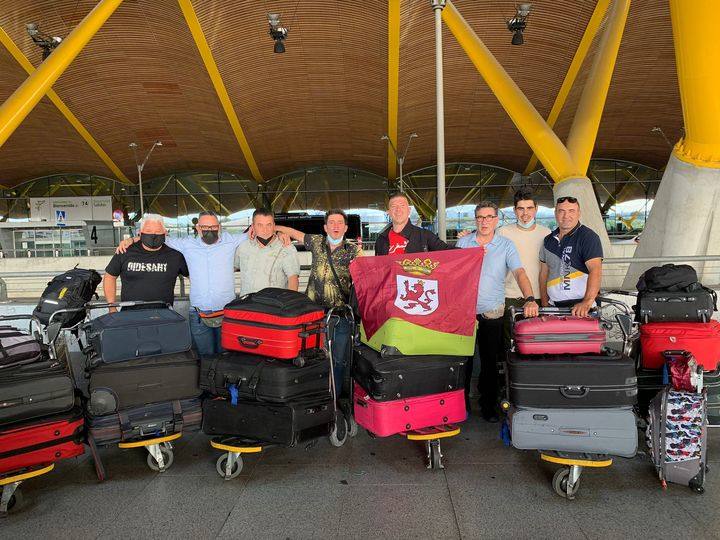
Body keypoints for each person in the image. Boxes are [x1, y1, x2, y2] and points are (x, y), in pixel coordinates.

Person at [117, 210, 251, 356]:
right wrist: (131, 240)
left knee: (228, 356)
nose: (209, 230)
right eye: (205, 227)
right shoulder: (186, 244)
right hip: (198, 314)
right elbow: (156, 236)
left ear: (219, 227)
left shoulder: (231, 240)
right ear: (198, 228)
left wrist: (280, 231)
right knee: (203, 356)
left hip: (226, 313)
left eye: (213, 227)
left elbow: (258, 229)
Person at [457, 201, 539, 423]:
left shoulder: (506, 245)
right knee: (463, 361)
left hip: (492, 311)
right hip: (463, 312)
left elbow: (520, 272)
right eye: (480, 217)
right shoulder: (463, 242)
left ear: (496, 220)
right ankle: (460, 406)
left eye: (489, 217)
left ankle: (488, 406)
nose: (484, 221)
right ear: (475, 220)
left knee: (490, 362)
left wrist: (530, 298)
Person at [274, 209, 363, 396]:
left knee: (338, 359)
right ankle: (316, 396)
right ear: (325, 227)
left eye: (340, 222)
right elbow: (292, 231)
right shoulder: (316, 242)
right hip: (314, 315)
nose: (336, 226)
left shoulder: (355, 251)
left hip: (341, 316)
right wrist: (274, 229)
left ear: (346, 228)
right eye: (331, 222)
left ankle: (335, 397)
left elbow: (369, 277)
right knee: (313, 357)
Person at [497, 188, 551, 345]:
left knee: (535, 344)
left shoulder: (546, 233)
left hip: (538, 298)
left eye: (529, 208)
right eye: (520, 208)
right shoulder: (503, 232)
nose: (525, 213)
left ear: (536, 208)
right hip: (509, 297)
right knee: (509, 344)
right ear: (514, 210)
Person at [104, 214, 188, 312]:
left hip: (163, 317)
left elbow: (193, 276)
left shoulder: (175, 256)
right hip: (129, 315)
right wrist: (112, 307)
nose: (153, 235)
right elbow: (110, 276)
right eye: (148, 231)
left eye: (157, 232)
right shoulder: (125, 251)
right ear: (140, 233)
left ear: (165, 233)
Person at [539, 196, 603, 318]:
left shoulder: (588, 237)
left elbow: (596, 269)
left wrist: (587, 302)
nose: (566, 215)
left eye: (571, 211)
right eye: (561, 211)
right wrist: (544, 303)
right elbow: (543, 274)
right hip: (554, 308)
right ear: (555, 214)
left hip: (582, 309)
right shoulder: (548, 240)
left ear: (579, 213)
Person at [234, 208, 300, 296]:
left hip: (273, 305)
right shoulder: (243, 247)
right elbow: (234, 267)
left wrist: (290, 303)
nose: (265, 230)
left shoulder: (286, 248)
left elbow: (293, 279)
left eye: (268, 225)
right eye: (260, 225)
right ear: (253, 226)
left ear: (274, 226)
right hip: (247, 305)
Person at [374, 192, 449, 255]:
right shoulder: (381, 240)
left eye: (402, 205)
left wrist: (461, 241)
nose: (398, 209)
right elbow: (378, 268)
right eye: (394, 206)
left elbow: (451, 252)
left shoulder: (424, 236)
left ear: (409, 210)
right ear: (388, 212)